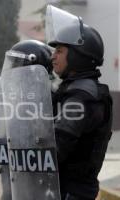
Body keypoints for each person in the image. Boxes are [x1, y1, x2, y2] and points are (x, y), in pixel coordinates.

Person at [48, 16, 113, 200]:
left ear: (78, 54)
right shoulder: (71, 89)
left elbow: (56, 147)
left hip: (71, 193)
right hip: (64, 189)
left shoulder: (82, 96)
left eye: (59, 51)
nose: (53, 56)